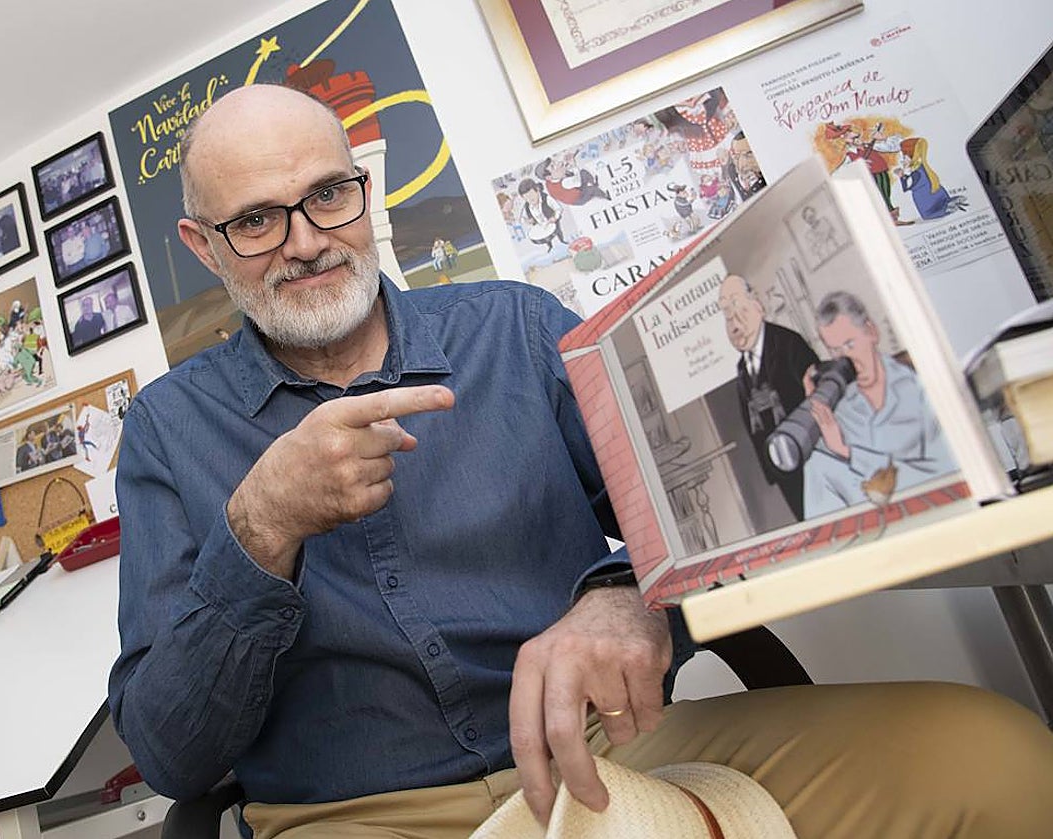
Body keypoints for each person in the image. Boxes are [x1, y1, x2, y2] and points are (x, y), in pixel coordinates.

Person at [108, 84, 1053, 839]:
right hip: (352, 812)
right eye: (259, 221)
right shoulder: (166, 429)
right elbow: (173, 755)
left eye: (327, 195)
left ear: (367, 188)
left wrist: (623, 596)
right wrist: (261, 525)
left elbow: (696, 517)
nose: (310, 242)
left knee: (997, 758)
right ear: (205, 247)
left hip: (616, 754)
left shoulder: (517, 330)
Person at [802, 290, 960, 518]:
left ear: (871, 332)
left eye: (850, 344)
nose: (846, 358)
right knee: (816, 465)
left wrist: (847, 451)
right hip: (879, 515)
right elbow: (829, 466)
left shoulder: (913, 386)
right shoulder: (845, 404)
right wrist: (814, 407)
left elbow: (935, 471)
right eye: (835, 350)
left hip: (932, 503)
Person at [719, 275, 818, 522]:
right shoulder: (742, 369)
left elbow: (817, 395)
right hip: (782, 466)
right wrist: (771, 470)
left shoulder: (787, 343)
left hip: (813, 457)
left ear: (758, 307)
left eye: (738, 307)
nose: (734, 323)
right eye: (727, 315)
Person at [895, 137, 969, 220]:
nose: (902, 161)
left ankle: (945, 209)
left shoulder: (916, 173)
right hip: (936, 194)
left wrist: (901, 176)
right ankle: (947, 203)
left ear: (913, 156)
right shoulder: (923, 167)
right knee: (941, 202)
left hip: (925, 199)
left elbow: (906, 187)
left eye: (904, 157)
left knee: (927, 215)